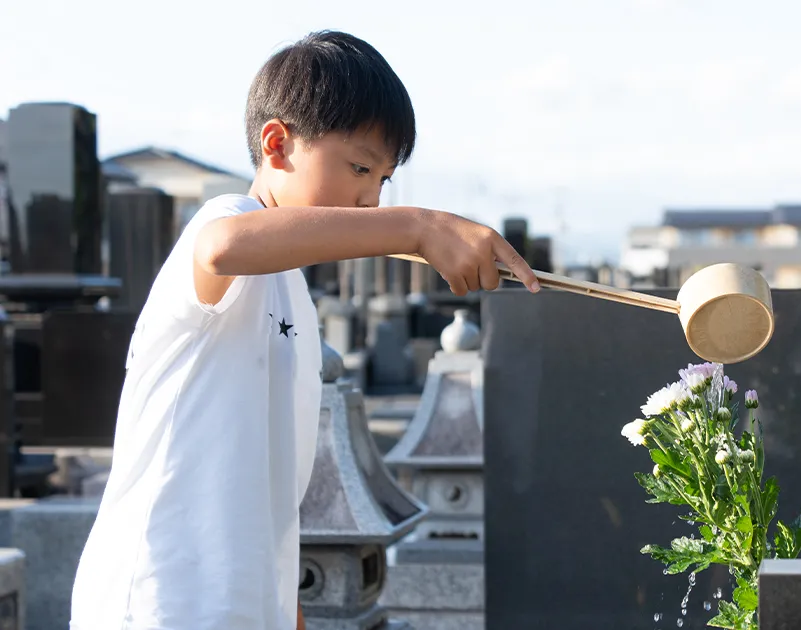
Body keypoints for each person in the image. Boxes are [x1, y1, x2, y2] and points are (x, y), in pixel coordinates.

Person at [69, 30, 539, 630]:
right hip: (162, 596)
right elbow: (220, 248)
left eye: (384, 181)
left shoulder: (292, 286)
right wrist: (416, 227)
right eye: (360, 167)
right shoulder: (228, 220)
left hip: (241, 602)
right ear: (277, 144)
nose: (371, 200)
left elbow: (275, 484)